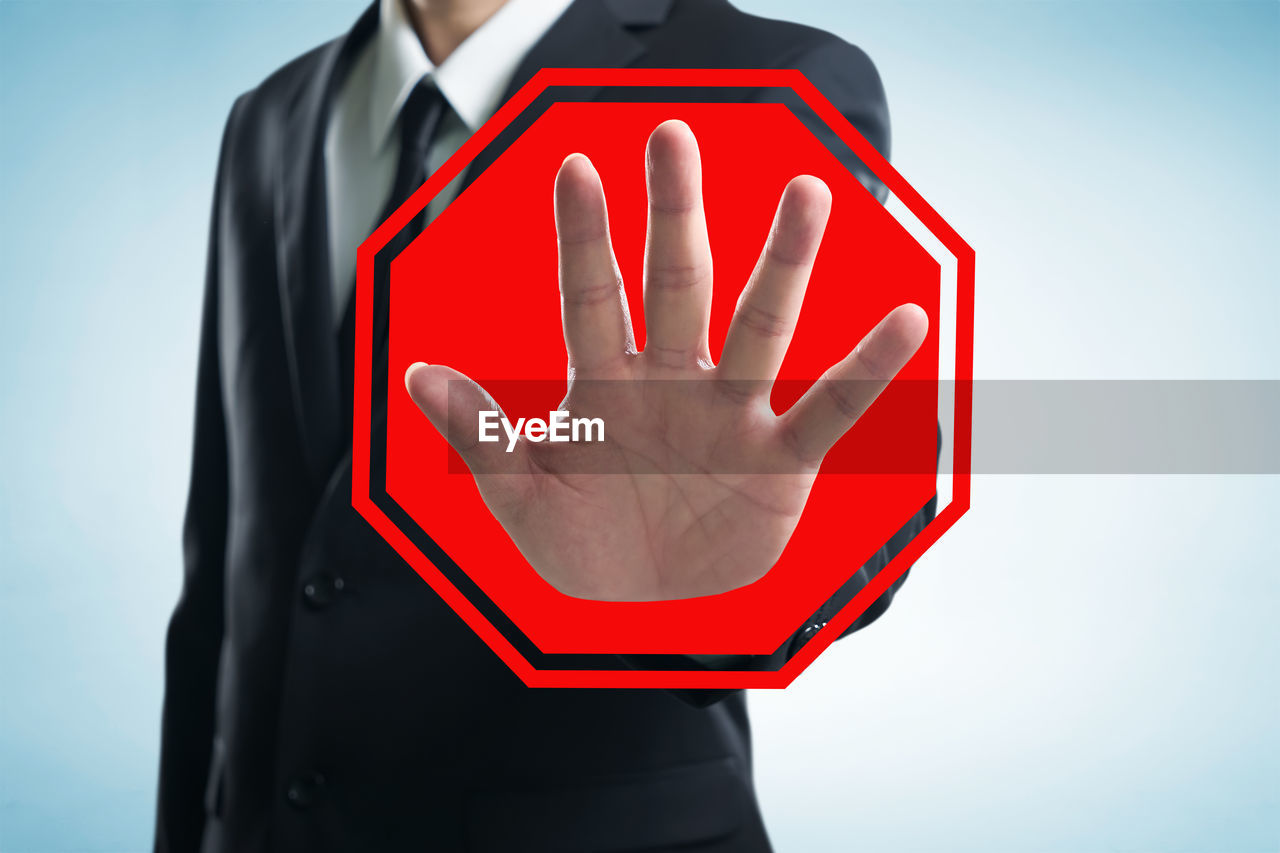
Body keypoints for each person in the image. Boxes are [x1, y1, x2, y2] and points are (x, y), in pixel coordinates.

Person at [156, 0, 936, 850]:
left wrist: (723, 599)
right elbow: (226, 566)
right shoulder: (268, 117)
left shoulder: (764, 78)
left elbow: (856, 464)